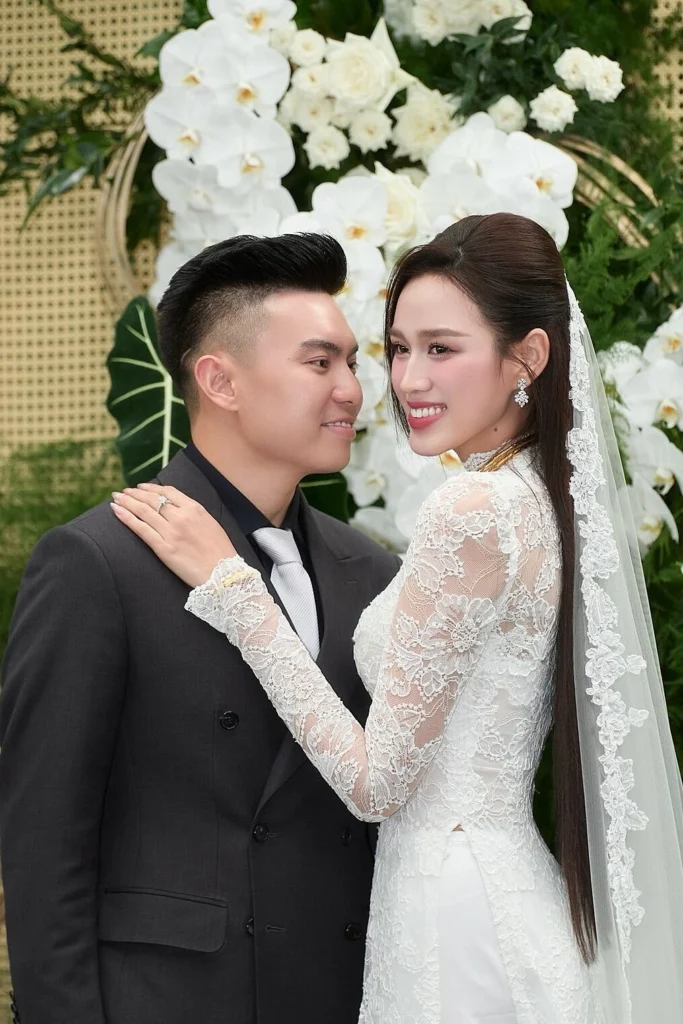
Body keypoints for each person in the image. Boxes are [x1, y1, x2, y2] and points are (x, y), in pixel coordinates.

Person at [112, 213, 683, 1024]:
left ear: (527, 357)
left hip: (453, 917)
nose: (409, 380)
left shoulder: (473, 509)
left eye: (441, 349)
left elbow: (375, 784)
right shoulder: (537, 497)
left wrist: (235, 592)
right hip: (493, 887)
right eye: (399, 349)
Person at [0, 233, 401, 1024]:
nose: (352, 390)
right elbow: (44, 840)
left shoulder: (373, 572)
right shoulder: (96, 563)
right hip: (171, 999)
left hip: (338, 994)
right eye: (319, 363)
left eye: (353, 363)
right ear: (219, 380)